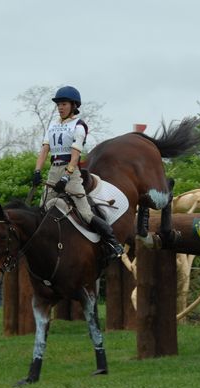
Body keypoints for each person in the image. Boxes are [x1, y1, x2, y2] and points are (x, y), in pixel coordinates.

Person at [32, 85, 124, 259]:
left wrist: (66, 176)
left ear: (73, 105)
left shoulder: (79, 126)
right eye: (58, 104)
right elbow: (44, 150)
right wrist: (37, 171)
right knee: (42, 210)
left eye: (64, 103)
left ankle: (113, 244)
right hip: (53, 170)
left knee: (85, 213)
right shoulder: (52, 126)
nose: (60, 107)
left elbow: (75, 155)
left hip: (71, 173)